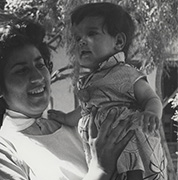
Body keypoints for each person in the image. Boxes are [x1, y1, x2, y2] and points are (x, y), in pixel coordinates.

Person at [0, 18, 137, 180]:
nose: (38, 77)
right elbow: (103, 168)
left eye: (40, 64)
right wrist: (100, 171)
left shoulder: (78, 128)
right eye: (21, 70)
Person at [48, 2, 167, 180]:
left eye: (91, 33)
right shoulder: (92, 80)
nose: (81, 41)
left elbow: (151, 97)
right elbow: (87, 109)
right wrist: (67, 119)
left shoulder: (126, 73)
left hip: (129, 140)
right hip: (104, 152)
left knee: (135, 169)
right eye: (77, 37)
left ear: (118, 41)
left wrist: (151, 113)